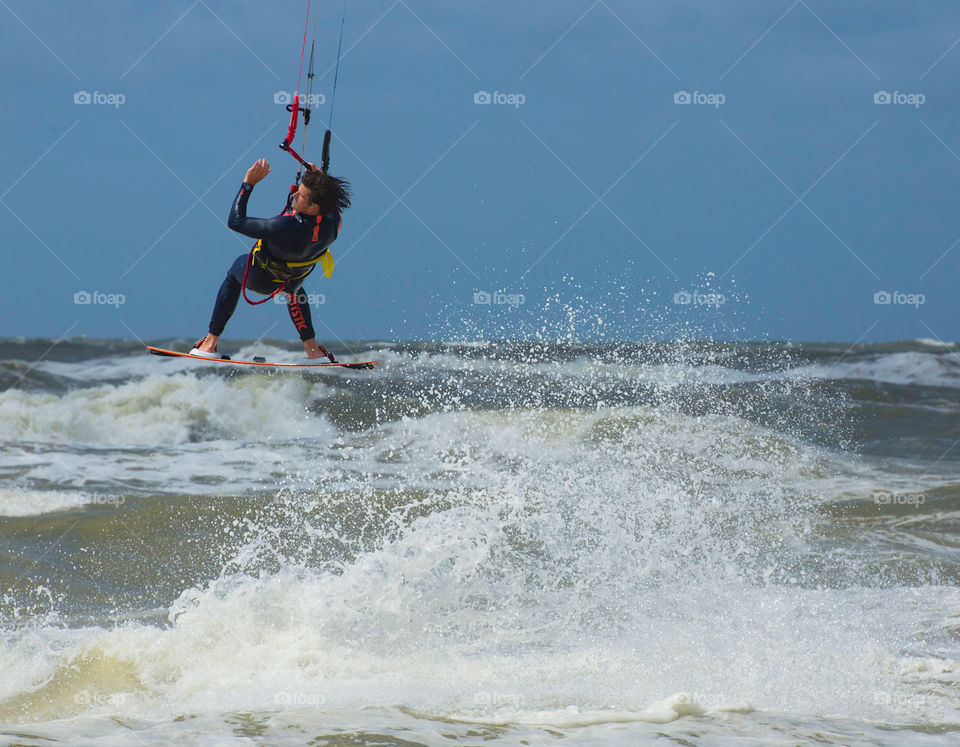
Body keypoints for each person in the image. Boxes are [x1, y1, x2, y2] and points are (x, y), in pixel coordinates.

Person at [192, 158, 351, 361]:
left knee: (234, 273)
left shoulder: (283, 227)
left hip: (262, 280)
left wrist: (248, 184)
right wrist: (319, 178)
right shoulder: (333, 224)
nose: (294, 194)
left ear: (313, 208)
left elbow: (236, 222)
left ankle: (209, 344)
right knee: (294, 290)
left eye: (300, 195)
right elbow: (331, 205)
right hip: (293, 280)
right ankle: (313, 350)